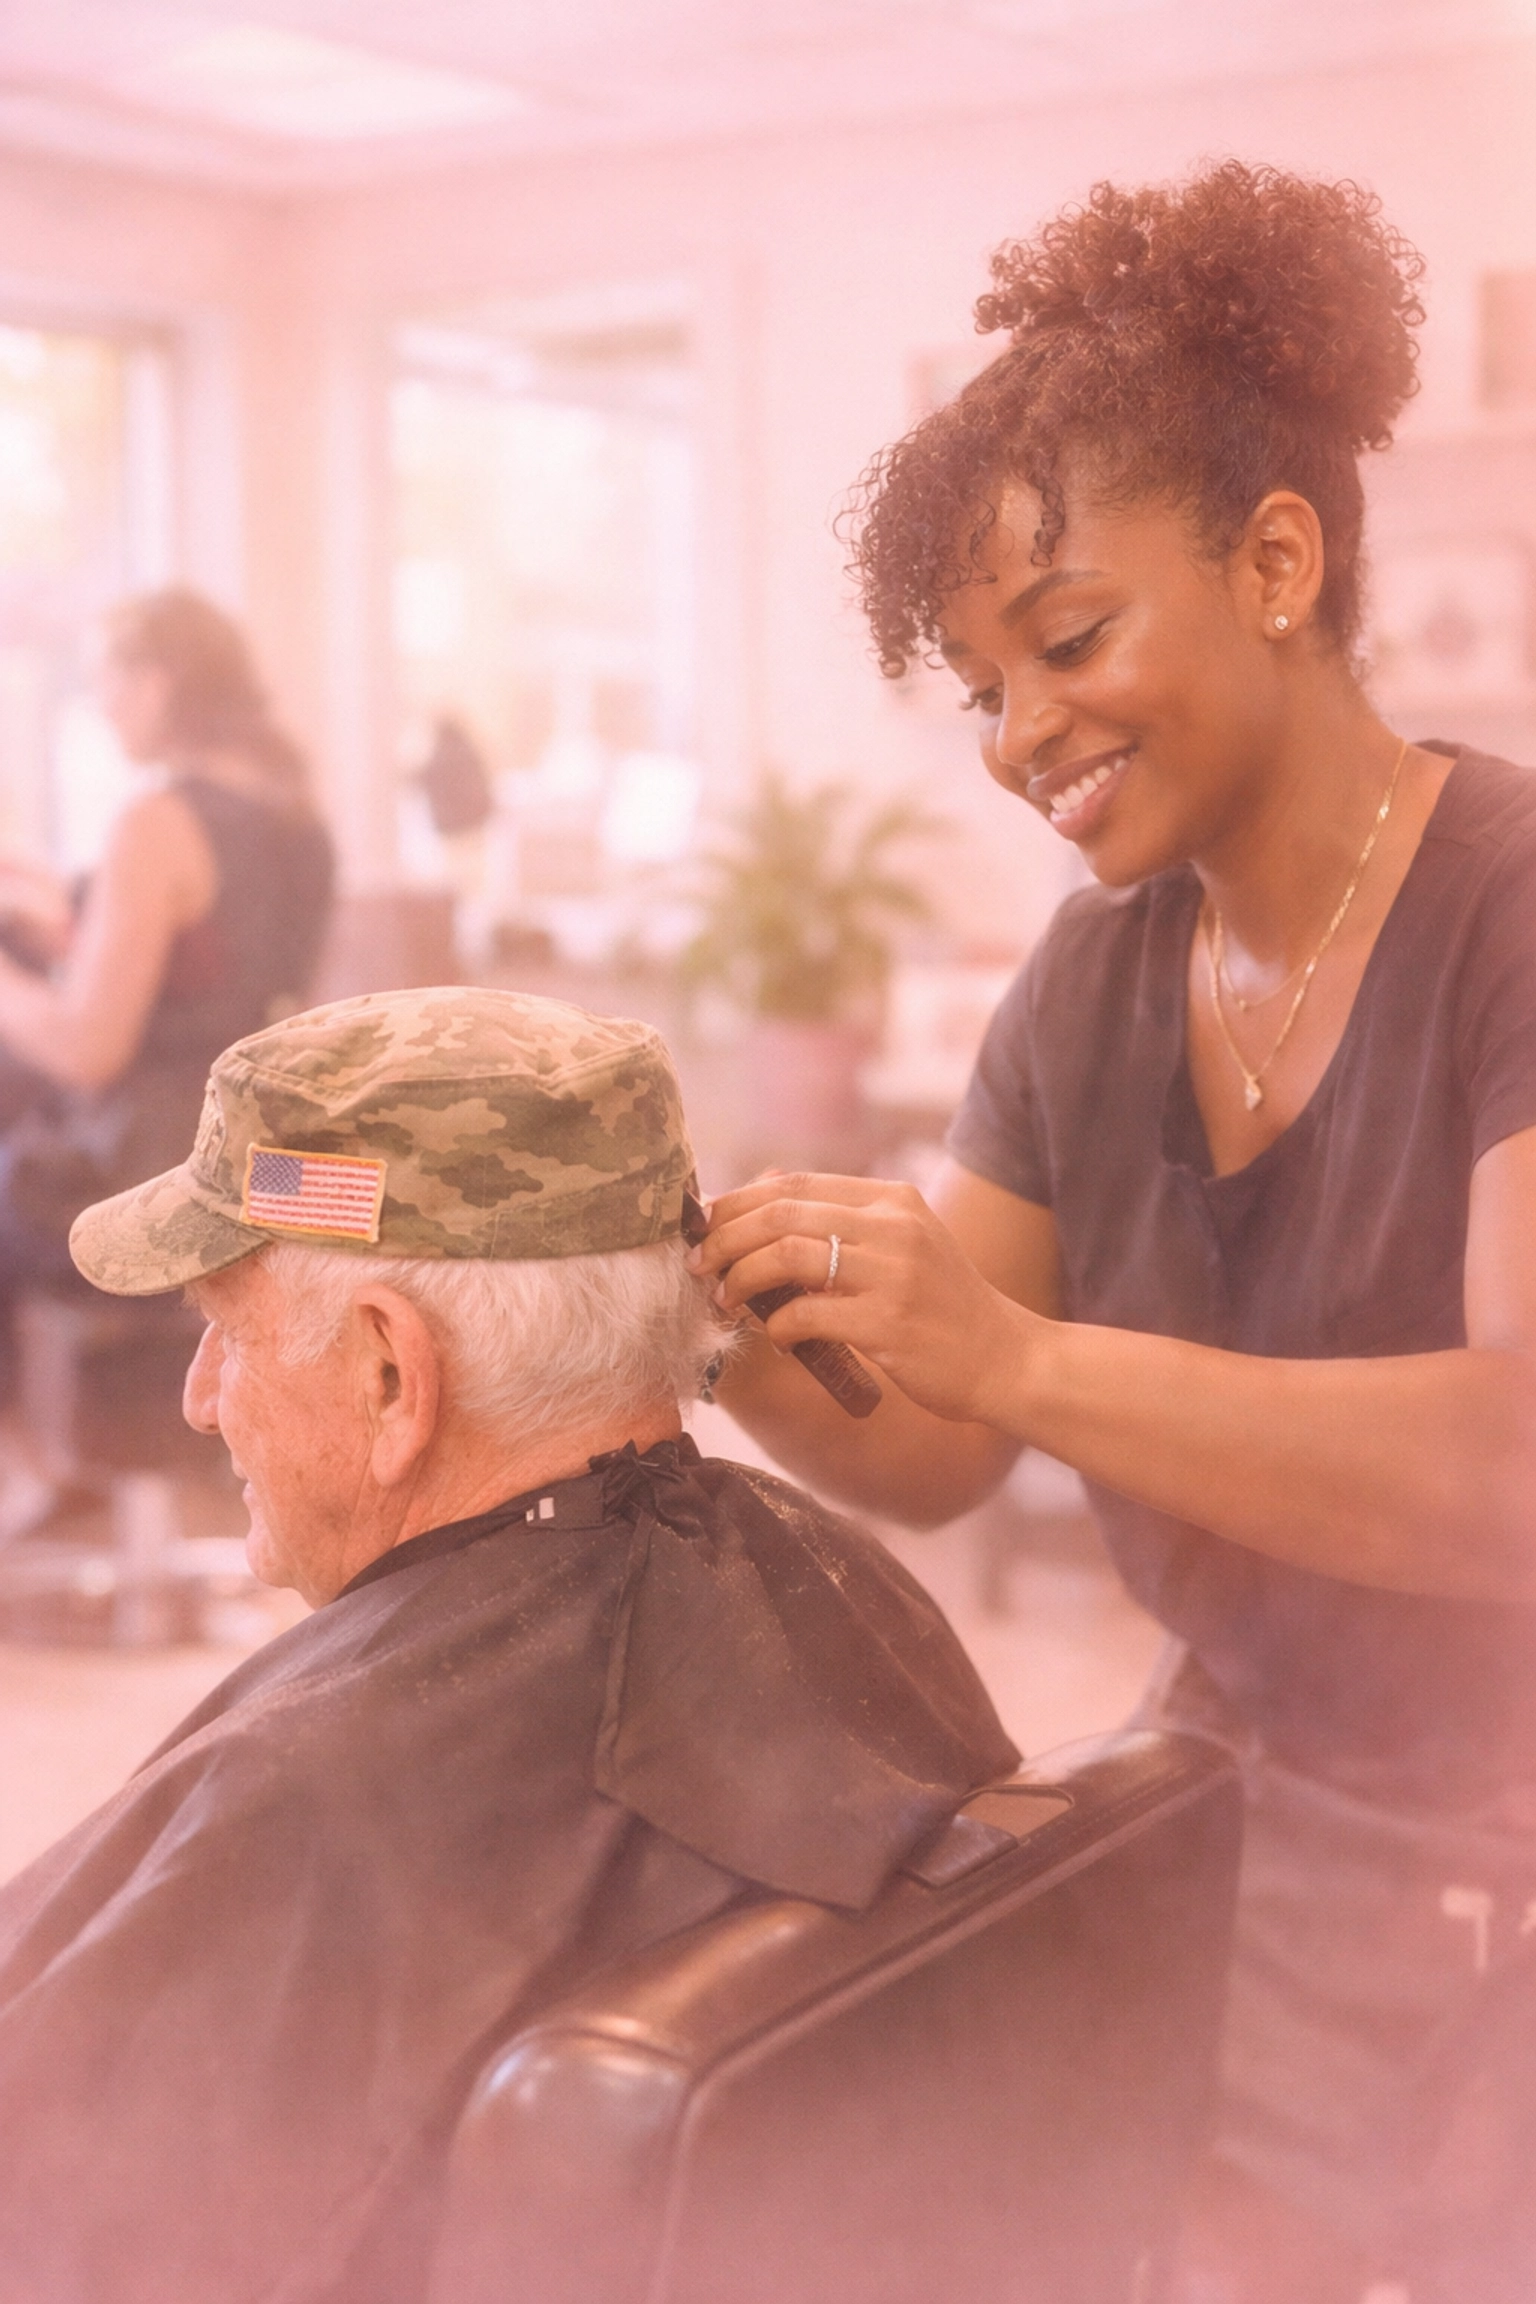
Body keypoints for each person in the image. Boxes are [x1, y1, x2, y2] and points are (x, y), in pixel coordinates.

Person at [690, 165, 1536, 2303]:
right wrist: (706, 1318)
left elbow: (1517, 1474)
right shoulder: (1089, 981)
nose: (1019, 739)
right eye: (981, 687)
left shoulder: (1513, 912)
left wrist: (1024, 1360)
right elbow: (934, 1441)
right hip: (1219, 1795)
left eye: (1066, 644)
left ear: (1277, 560)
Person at [0, 987, 1015, 2304]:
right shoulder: (860, 1596)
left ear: (389, 1378)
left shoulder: (310, 1810)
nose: (202, 1401)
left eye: (226, 1331)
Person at [0, 587, 334, 1364]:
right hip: (267, 1162)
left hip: (155, 1173)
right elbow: (214, 979)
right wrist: (63, 938)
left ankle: (45, 1456)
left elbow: (90, 1050)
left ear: (155, 684)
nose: (99, 705)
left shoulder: (155, 822)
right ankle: (71, 1461)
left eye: (105, 682)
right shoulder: (296, 816)